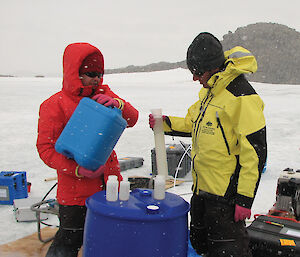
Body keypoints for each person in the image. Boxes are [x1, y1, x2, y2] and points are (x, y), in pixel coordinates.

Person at [149, 32, 267, 256]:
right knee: (202, 245)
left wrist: (244, 199)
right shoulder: (210, 93)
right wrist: (165, 124)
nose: (195, 78)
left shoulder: (242, 97)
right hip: (201, 190)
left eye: (197, 72)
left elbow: (255, 152)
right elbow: (193, 123)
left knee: (229, 250)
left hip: (226, 198)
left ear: (212, 67)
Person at [37, 42, 139, 257]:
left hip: (110, 188)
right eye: (90, 73)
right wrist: (77, 170)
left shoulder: (105, 94)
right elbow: (46, 149)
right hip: (75, 196)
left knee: (109, 242)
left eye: (99, 74)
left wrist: (117, 103)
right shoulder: (54, 105)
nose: (96, 79)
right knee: (68, 242)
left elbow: (133, 119)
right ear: (76, 73)